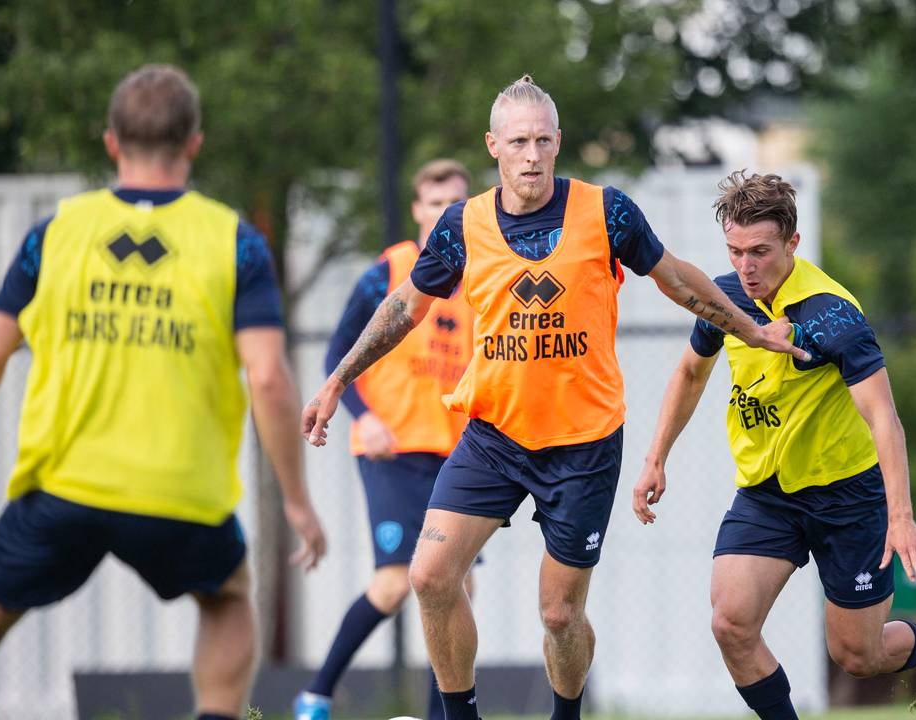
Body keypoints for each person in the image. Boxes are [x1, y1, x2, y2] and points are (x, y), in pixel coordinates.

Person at [301, 75, 807, 720]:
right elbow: (404, 306)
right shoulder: (464, 225)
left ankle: (566, 714)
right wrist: (339, 378)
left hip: (583, 445)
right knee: (428, 576)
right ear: (494, 147)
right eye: (519, 142)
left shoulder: (607, 211)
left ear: (559, 141)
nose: (532, 155)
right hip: (493, 435)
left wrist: (754, 331)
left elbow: (678, 279)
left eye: (543, 140)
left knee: (560, 614)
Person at [0, 64, 327, 720]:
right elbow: (270, 379)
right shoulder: (235, 243)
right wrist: (298, 502)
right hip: (180, 492)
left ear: (111, 143)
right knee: (226, 600)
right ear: (194, 143)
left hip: (64, 487)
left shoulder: (55, 235)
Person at [633, 171, 916, 720]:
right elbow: (691, 374)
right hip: (769, 494)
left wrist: (901, 517)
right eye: (736, 251)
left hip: (849, 497)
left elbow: (884, 417)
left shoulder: (830, 315)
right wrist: (654, 459)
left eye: (761, 251)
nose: (747, 266)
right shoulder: (726, 298)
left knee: (857, 654)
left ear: (792, 243)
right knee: (730, 623)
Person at [294, 159, 476, 720]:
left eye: (458, 203)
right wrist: (360, 415)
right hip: (393, 451)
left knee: (455, 592)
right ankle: (317, 696)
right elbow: (337, 355)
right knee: (396, 582)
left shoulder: (484, 278)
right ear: (420, 209)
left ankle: (439, 714)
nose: (447, 211)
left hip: (459, 459)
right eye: (436, 201)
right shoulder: (392, 269)